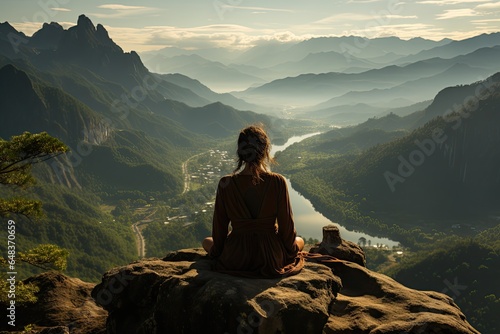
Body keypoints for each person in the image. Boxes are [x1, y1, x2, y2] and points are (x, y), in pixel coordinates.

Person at [202, 124, 305, 278]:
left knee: (206, 242)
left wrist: (219, 253)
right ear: (265, 151)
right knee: (300, 240)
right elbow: (286, 229)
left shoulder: (226, 184)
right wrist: (289, 251)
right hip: (270, 256)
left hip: (236, 257)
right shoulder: (277, 182)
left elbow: (220, 228)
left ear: (241, 153)